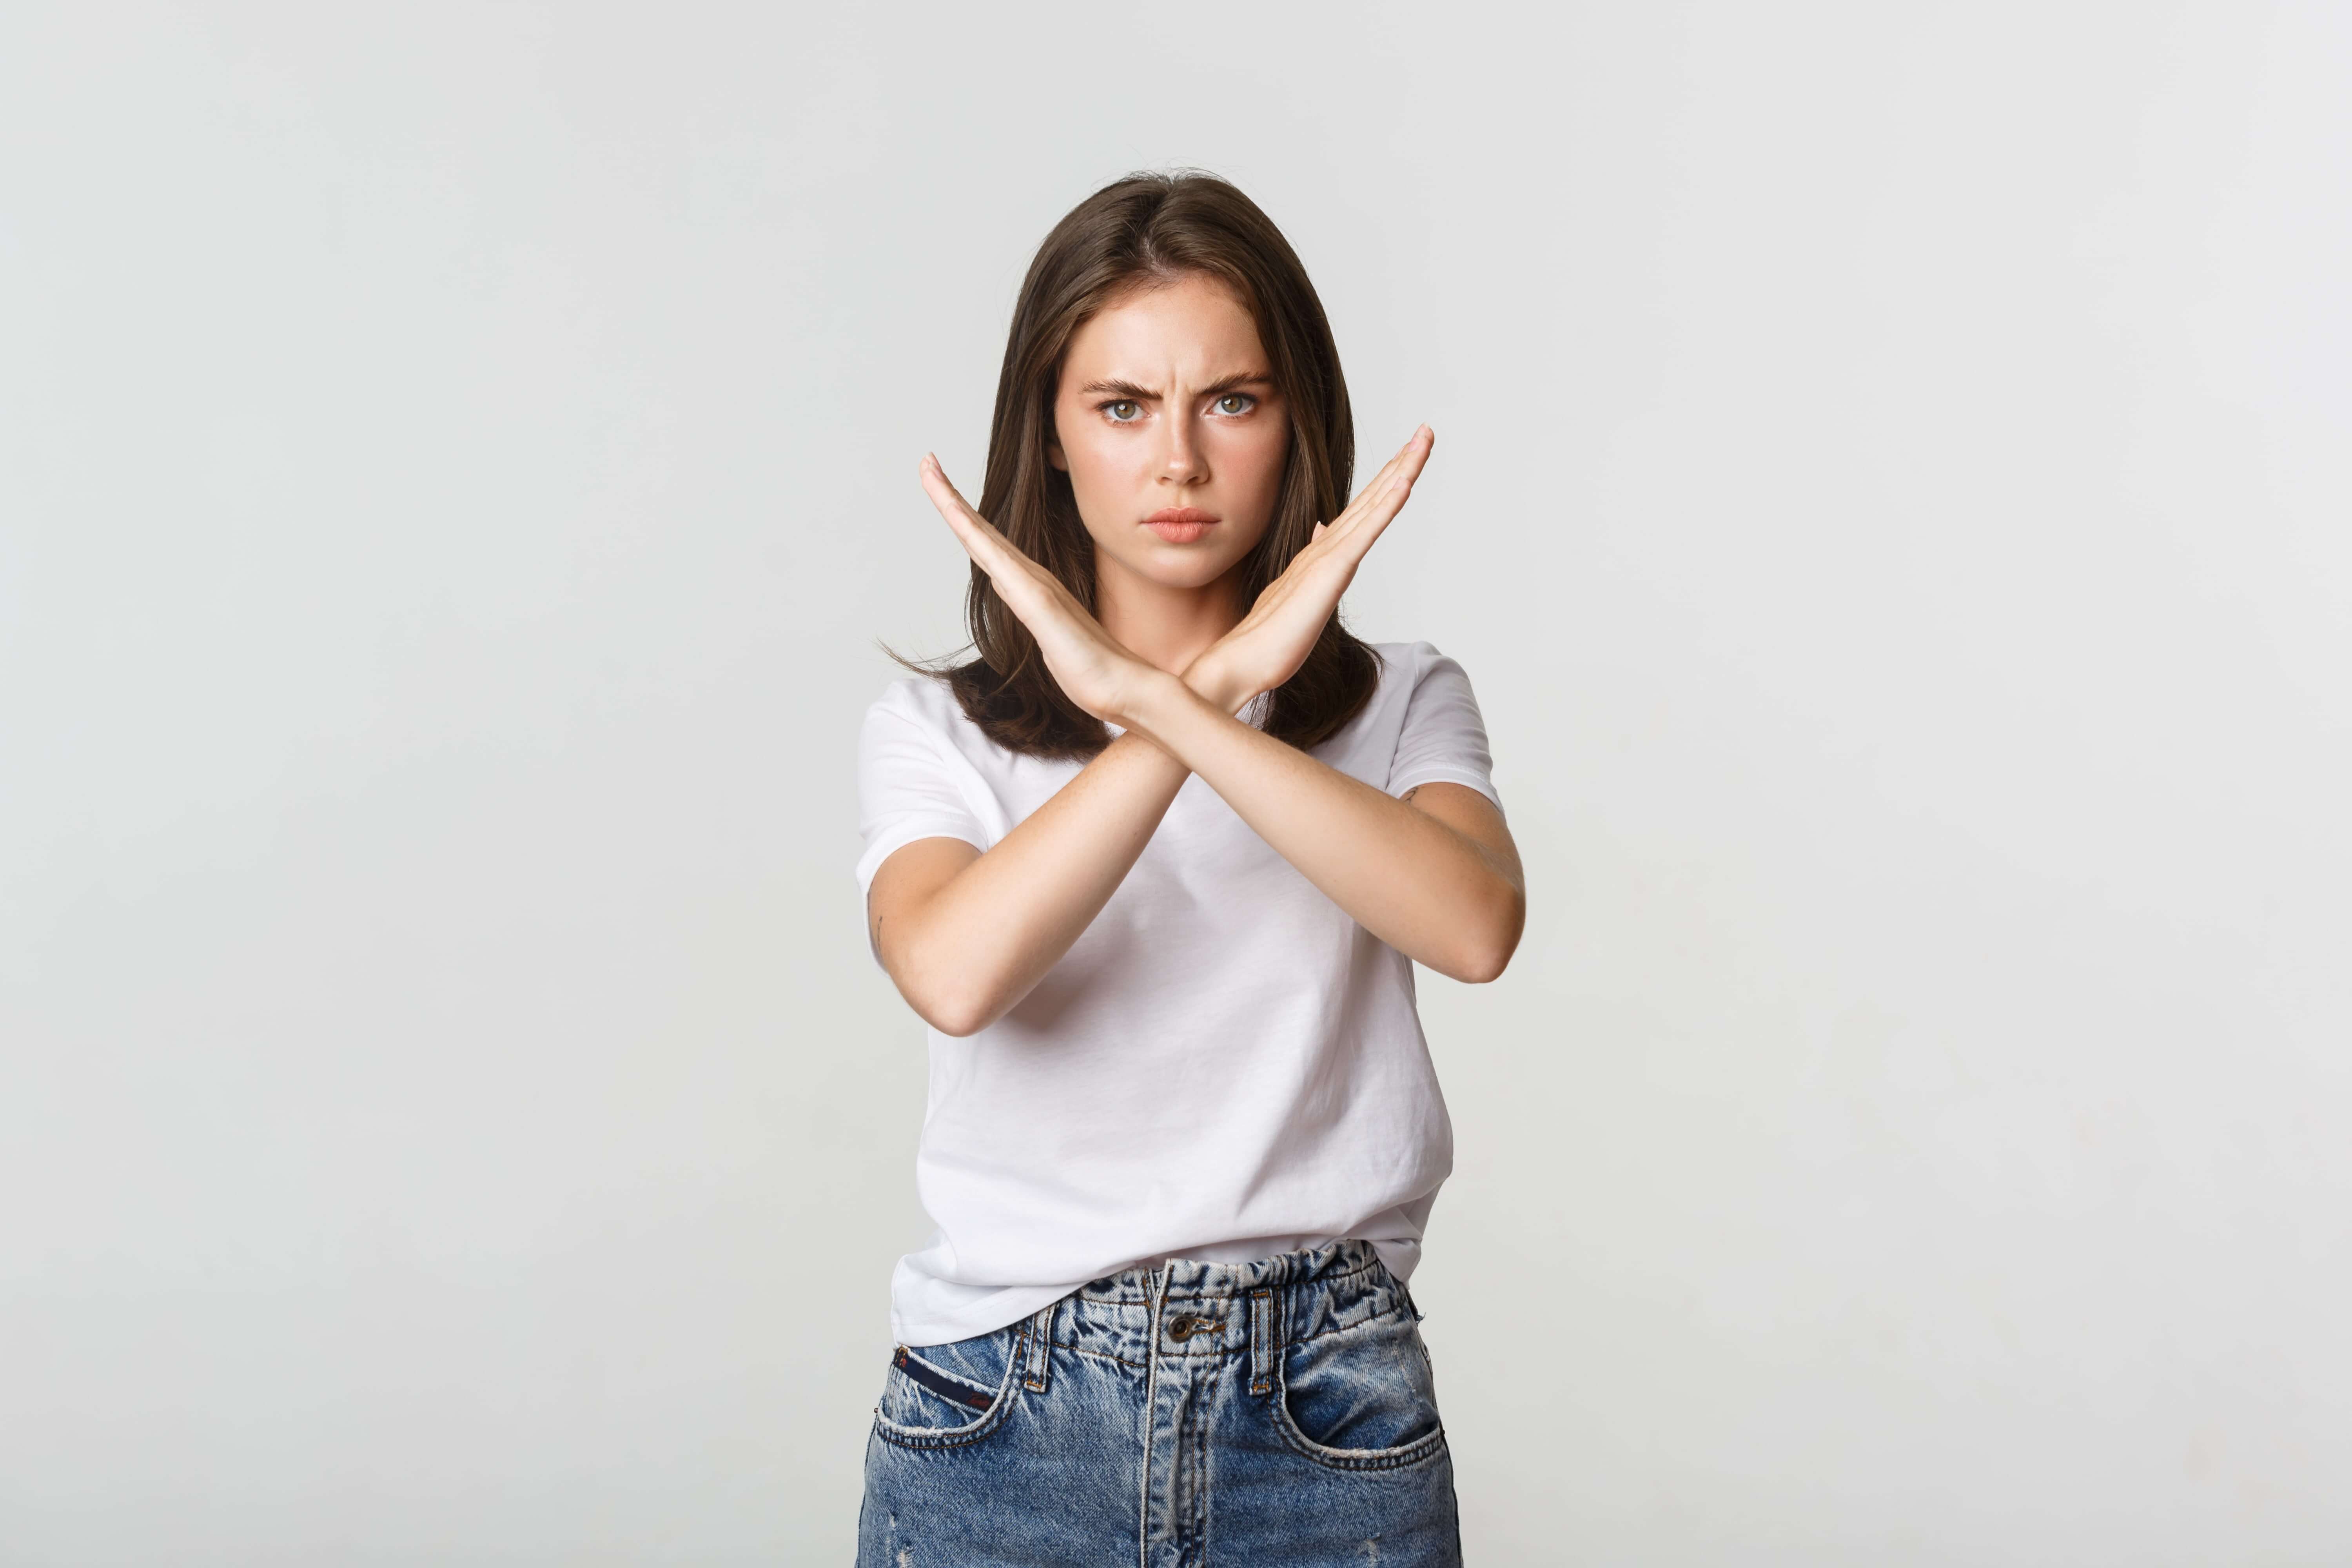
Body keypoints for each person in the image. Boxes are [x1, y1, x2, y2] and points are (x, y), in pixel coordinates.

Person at [851, 169, 1524, 1566]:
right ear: (1047, 437)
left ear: (1298, 423)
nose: (1178, 462)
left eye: (1232, 399)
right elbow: (955, 974)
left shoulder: (1402, 703)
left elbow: (1472, 926)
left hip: (1327, 1411)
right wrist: (1195, 701)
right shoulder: (936, 730)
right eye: (1121, 407)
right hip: (1004, 1416)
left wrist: (1169, 699)